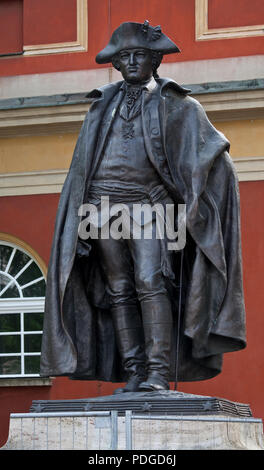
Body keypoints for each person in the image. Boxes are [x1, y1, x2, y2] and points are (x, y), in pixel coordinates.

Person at [40, 21, 246, 393]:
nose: (132, 62)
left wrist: (195, 198)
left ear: (154, 59)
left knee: (152, 282)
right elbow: (81, 167)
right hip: (101, 208)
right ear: (116, 64)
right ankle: (134, 371)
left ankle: (156, 373)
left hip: (152, 207)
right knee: (118, 288)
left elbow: (212, 151)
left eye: (139, 55)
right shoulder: (101, 105)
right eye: (124, 57)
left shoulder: (179, 105)